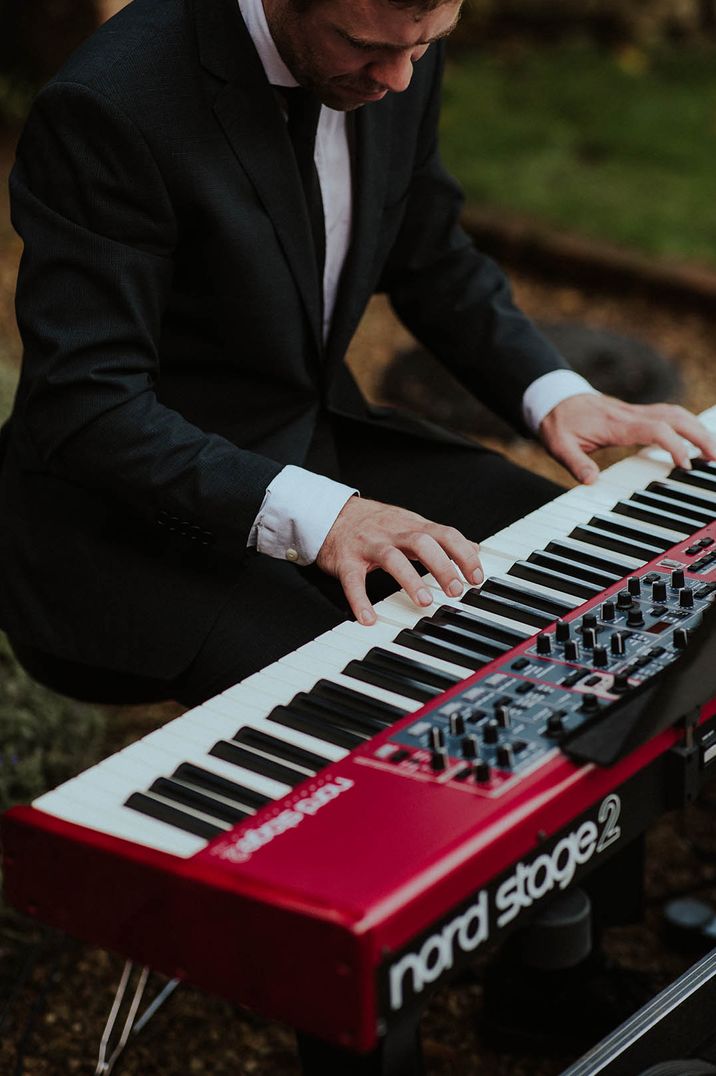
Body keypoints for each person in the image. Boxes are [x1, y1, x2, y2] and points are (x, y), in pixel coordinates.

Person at [0, 0, 713, 709]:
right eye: (364, 46)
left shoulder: (395, 47)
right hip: (126, 524)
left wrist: (556, 392)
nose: (399, 78)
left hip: (317, 437)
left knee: (607, 583)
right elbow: (87, 404)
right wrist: (331, 519)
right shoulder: (112, 107)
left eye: (428, 45)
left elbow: (427, 250)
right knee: (383, 709)